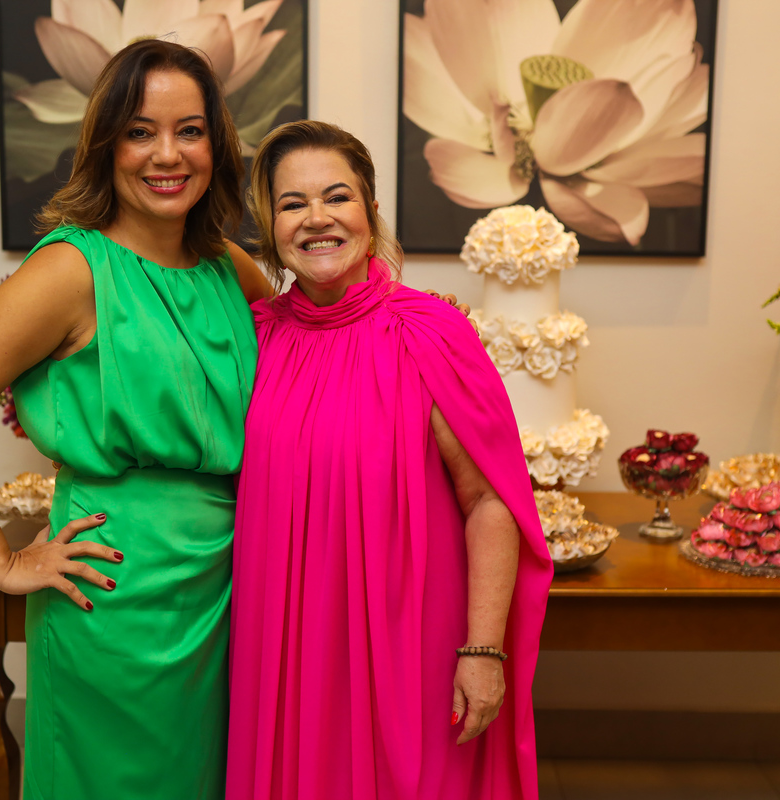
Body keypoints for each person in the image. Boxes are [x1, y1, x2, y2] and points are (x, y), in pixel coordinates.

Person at [0, 40, 270, 800]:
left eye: (190, 131)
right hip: (115, 595)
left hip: (235, 586)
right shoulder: (70, 269)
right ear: (106, 145)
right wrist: (3, 565)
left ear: (217, 144)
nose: (167, 155)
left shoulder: (228, 267)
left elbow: (310, 369)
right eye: (140, 131)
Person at [226, 120, 553, 800]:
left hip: (412, 647)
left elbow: (489, 499)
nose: (317, 218)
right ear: (272, 229)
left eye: (336, 197)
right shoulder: (251, 340)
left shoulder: (430, 333)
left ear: (370, 213)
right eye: (292, 204)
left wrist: (482, 650)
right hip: (288, 651)